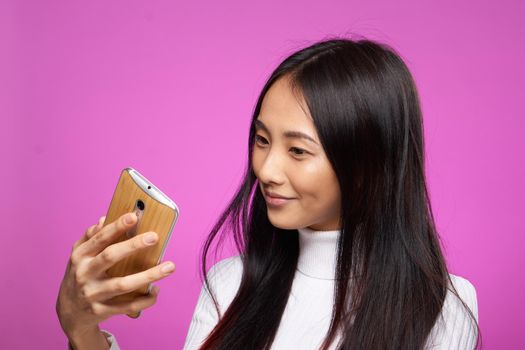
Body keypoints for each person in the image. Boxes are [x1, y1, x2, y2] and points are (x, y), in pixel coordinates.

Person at [56, 36, 481, 349]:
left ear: (369, 164)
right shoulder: (231, 285)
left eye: (298, 150)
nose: (266, 169)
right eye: (262, 139)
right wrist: (81, 329)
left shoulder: (444, 305)